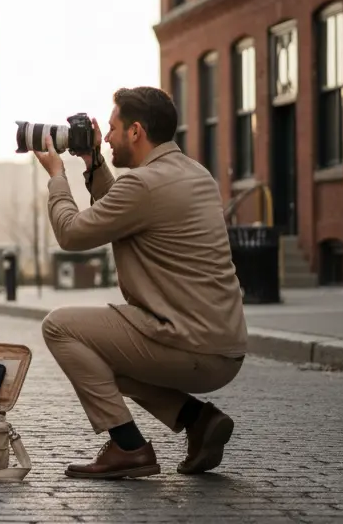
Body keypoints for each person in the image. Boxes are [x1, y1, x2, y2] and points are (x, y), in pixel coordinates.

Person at [31, 86, 247, 479]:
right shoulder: (194, 173)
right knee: (99, 358)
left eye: (111, 129)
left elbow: (72, 234)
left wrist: (58, 177)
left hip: (187, 343)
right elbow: (122, 209)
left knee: (60, 326)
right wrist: (93, 160)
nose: (107, 137)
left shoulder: (144, 185)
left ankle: (127, 447)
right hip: (224, 347)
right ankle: (197, 419)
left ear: (135, 132)